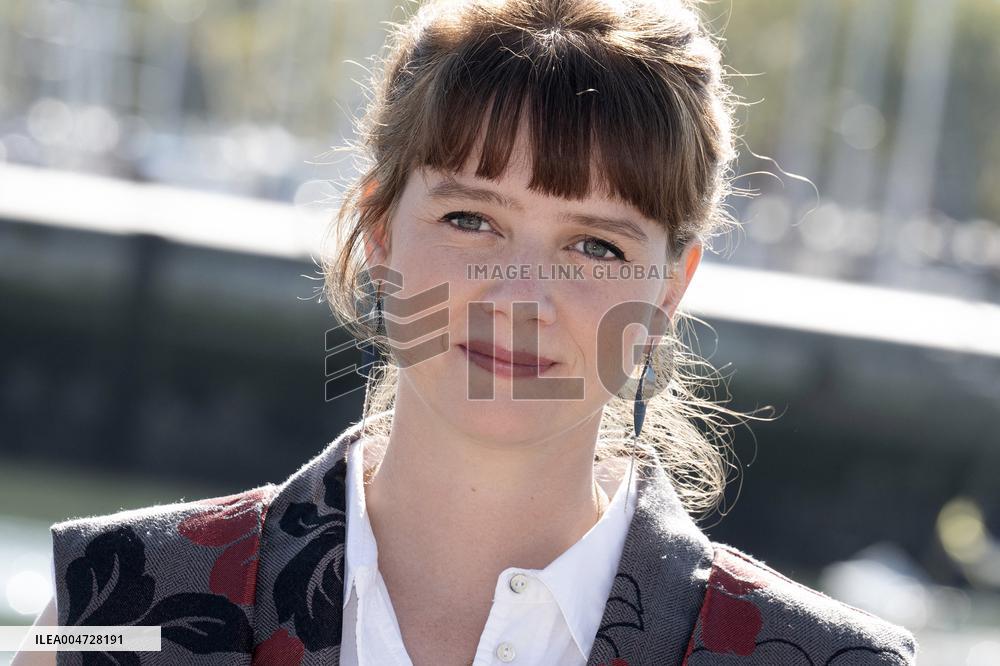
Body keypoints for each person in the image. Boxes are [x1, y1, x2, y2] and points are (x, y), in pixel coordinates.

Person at [16, 0, 919, 664]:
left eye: (595, 245)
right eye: (471, 220)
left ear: (670, 289)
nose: (521, 295)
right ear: (378, 231)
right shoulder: (113, 605)